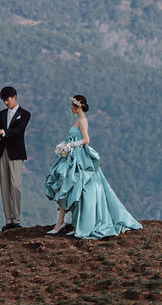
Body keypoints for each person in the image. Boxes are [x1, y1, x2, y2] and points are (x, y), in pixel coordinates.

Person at [45, 94, 142, 239]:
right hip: (73, 157)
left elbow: (86, 139)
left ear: (78, 106)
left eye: (72, 105)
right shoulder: (79, 120)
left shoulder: (82, 121)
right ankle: (66, 222)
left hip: (79, 158)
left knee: (73, 187)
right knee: (67, 186)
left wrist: (71, 145)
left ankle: (66, 223)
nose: (70, 107)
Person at [0, 86, 31, 231]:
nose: (5, 103)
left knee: (15, 185)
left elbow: (18, 131)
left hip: (16, 153)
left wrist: (1, 132)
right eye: (3, 101)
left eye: (7, 100)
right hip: (2, 153)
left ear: (15, 97)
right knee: (4, 186)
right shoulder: (2, 114)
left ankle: (16, 219)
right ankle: (8, 220)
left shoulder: (25, 114)